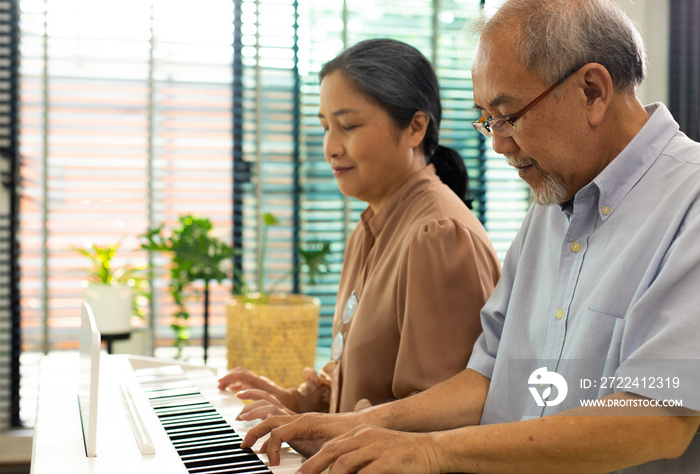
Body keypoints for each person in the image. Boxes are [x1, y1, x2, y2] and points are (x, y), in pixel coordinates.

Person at [240, 1, 700, 472]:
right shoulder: (552, 201)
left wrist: (433, 449)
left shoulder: (690, 204)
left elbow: (654, 413)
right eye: (488, 119)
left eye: (508, 115)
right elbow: (488, 376)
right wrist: (358, 426)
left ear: (592, 90)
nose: (497, 143)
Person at [218, 39, 501, 419]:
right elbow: (366, 387)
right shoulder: (371, 227)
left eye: (348, 126)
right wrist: (299, 403)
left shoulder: (437, 234)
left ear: (416, 128)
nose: (330, 147)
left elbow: (442, 419)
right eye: (325, 127)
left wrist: (319, 431)